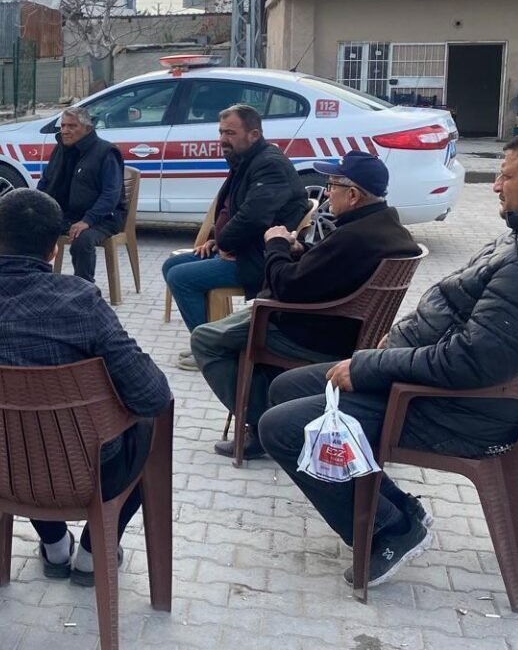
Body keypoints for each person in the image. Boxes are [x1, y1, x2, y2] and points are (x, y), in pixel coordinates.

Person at [258, 131, 518, 588]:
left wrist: (370, 366)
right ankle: (398, 509)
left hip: (455, 409)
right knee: (286, 387)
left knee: (282, 427)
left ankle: (390, 530)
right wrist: (392, 347)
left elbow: (466, 362)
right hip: (442, 386)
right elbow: (467, 331)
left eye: (506, 176)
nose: (495, 185)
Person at [0, 188, 171, 586]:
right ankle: (93, 553)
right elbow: (152, 394)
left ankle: (55, 546)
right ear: (54, 251)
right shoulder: (81, 300)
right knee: (150, 422)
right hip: (91, 471)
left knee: (21, 429)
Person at [189, 150, 421, 459]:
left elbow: (286, 286)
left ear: (353, 195)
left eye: (332, 185)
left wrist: (275, 244)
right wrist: (302, 249)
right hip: (348, 329)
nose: (327, 192)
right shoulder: (388, 229)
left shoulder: (354, 237)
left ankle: (262, 424)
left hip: (310, 333)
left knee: (205, 339)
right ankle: (271, 410)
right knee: (234, 332)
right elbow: (330, 266)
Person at [163, 104, 309, 339]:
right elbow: (231, 210)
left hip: (258, 257)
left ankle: (207, 344)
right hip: (241, 248)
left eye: (230, 133)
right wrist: (215, 240)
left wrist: (225, 243)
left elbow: (253, 217)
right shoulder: (245, 159)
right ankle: (211, 335)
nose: (223, 139)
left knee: (180, 277)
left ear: (254, 134)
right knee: (171, 265)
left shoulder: (269, 164)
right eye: (221, 132)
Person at [36, 106, 127, 284]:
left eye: (71, 126)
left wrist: (88, 220)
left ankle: (84, 288)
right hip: (65, 215)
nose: (65, 131)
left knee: (81, 239)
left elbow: (111, 194)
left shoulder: (106, 152)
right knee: (29, 229)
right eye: (63, 126)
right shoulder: (60, 150)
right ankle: (37, 283)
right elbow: (45, 182)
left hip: (102, 218)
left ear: (87, 128)